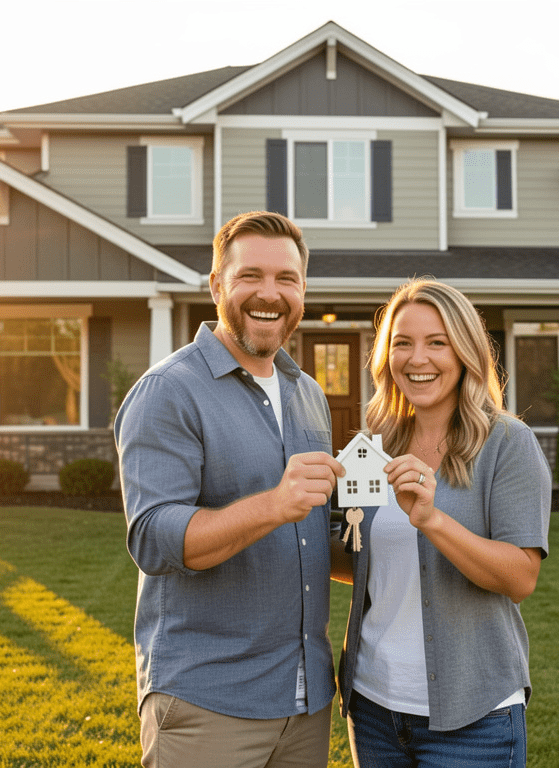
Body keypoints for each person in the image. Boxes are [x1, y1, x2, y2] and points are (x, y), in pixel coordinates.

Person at [115, 211, 344, 768]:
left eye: (286, 279)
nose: (270, 293)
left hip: (307, 700)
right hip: (207, 704)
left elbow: (319, 540)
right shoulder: (169, 391)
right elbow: (153, 539)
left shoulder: (308, 393)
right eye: (251, 276)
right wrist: (273, 505)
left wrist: (412, 529)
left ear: (303, 291)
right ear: (216, 285)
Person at [334, 278, 551, 768]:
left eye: (438, 342)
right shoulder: (374, 444)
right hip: (373, 708)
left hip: (474, 717)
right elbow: (360, 560)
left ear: (466, 351)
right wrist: (291, 518)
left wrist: (431, 520)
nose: (417, 359)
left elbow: (520, 576)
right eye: (402, 343)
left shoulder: (507, 444)